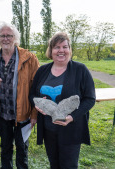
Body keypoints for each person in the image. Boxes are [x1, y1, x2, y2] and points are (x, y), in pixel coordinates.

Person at [29, 32, 96, 169]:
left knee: (69, 165)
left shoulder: (80, 70)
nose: (61, 50)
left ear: (70, 49)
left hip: (71, 128)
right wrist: (37, 106)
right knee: (54, 164)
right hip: (48, 128)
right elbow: (32, 94)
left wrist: (72, 117)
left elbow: (90, 99)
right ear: (51, 50)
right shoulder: (42, 70)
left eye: (65, 47)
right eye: (56, 47)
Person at [0, 22, 40, 169]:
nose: (6, 39)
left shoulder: (30, 58)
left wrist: (34, 114)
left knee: (22, 148)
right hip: (2, 114)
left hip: (24, 114)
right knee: (5, 148)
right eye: (2, 35)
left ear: (15, 38)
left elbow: (37, 88)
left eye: (9, 35)